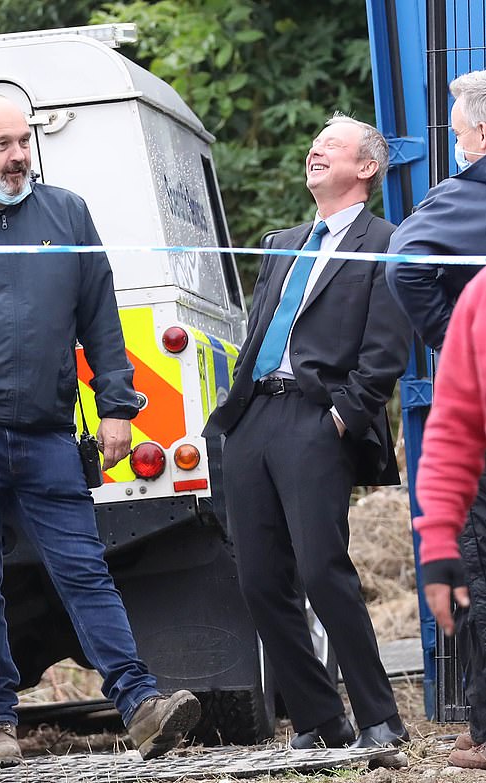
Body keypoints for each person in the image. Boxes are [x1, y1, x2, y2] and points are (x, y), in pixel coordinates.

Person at [0, 93, 200, 767]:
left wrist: (117, 405)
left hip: (47, 435)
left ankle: (141, 703)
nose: (18, 154)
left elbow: (101, 319)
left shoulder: (66, 213)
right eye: (1, 144)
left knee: (85, 570)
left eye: (23, 140)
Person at [203, 114, 411, 749]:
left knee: (322, 571)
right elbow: (261, 328)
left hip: (318, 418)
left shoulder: (386, 241)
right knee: (260, 581)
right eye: (314, 145)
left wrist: (346, 414)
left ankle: (381, 719)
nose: (314, 151)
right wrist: (232, 414)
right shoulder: (284, 240)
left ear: (366, 168)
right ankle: (323, 721)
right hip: (253, 417)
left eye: (331, 146)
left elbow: (387, 349)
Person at [387, 69, 486, 770]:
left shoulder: (462, 196)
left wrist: (455, 339)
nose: (455, 144)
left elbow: (401, 265)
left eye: (456, 133)